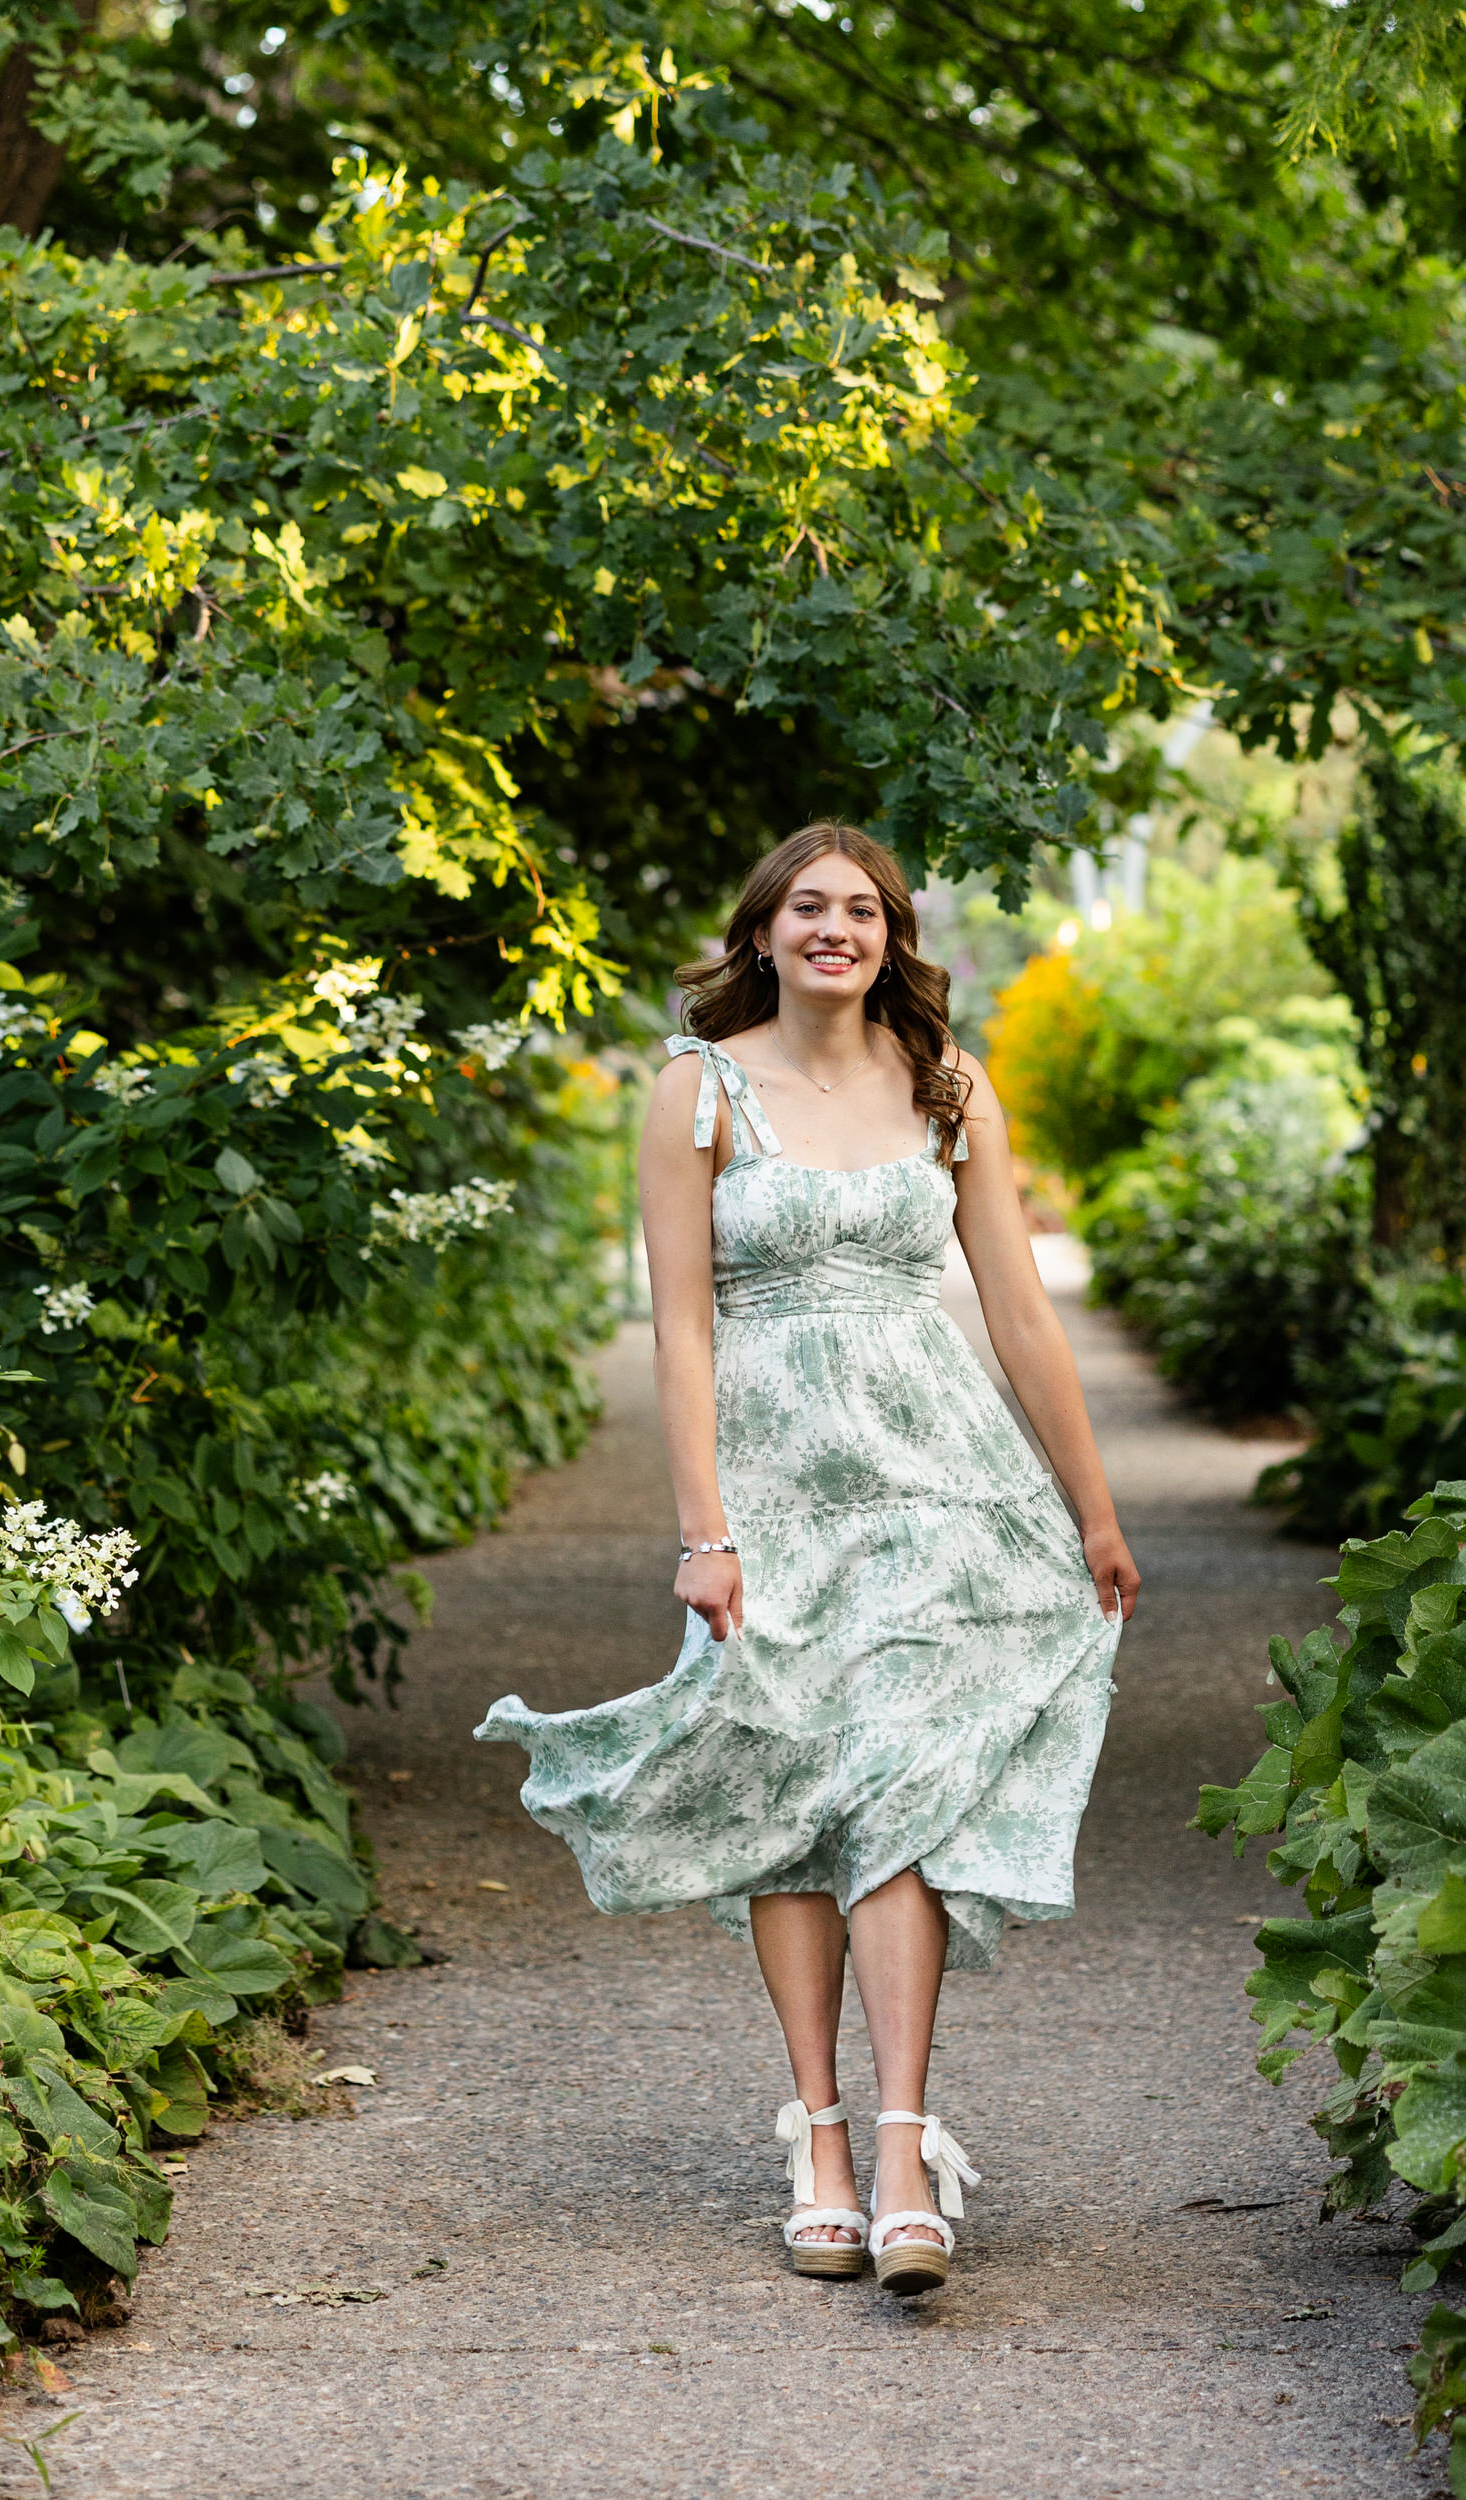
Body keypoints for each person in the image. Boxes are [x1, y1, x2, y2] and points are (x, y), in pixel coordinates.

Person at [476, 820, 1139, 2295]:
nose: (836, 928)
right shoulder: (696, 1092)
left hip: (937, 1483)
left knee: (901, 1778)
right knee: (789, 1791)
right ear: (763, 932)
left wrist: (1092, 1508)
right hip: (775, 1493)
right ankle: (821, 2144)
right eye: (808, 907)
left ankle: (905, 2150)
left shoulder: (951, 1089)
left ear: (895, 938)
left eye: (863, 910)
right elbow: (684, 1325)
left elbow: (1022, 1315)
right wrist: (702, 1531)